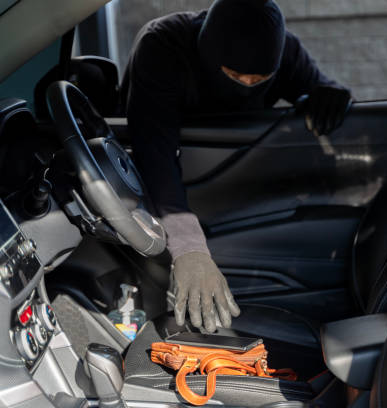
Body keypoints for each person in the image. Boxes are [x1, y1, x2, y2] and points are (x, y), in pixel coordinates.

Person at [124, 0, 352, 333]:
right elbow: (155, 155)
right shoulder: (163, 45)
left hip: (234, 192)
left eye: (259, 79)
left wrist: (332, 96)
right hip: (154, 195)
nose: (246, 84)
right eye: (233, 75)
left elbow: (319, 87)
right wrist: (190, 250)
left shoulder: (286, 50)